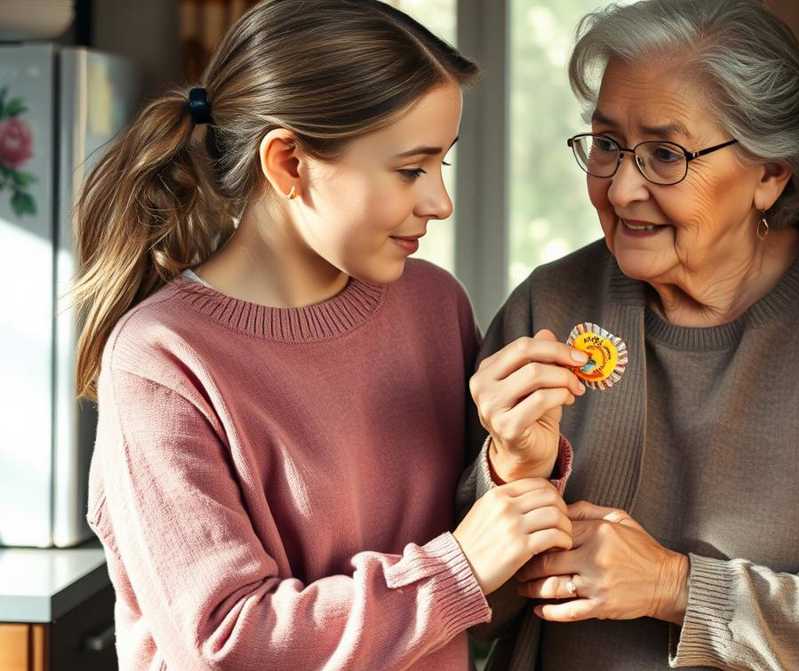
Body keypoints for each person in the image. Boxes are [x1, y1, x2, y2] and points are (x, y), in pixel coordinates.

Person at [72, 1, 574, 669]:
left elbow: (489, 594)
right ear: (288, 163)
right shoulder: (159, 359)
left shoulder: (433, 306)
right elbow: (227, 641)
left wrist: (514, 466)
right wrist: (456, 570)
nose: (439, 202)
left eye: (442, 165)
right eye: (410, 169)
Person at [459, 1, 799, 669]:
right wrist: (513, 471)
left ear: (771, 172)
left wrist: (673, 585)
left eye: (664, 154)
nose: (621, 188)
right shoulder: (549, 304)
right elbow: (462, 621)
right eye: (606, 145)